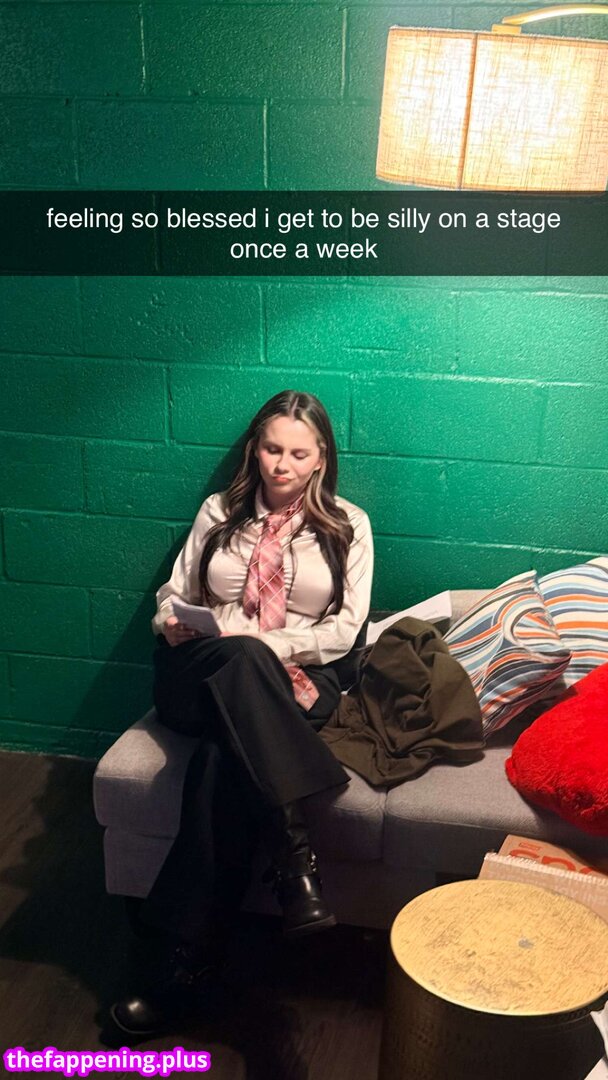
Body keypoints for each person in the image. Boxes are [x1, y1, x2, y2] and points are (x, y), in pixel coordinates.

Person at [110, 389, 374, 1037]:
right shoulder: (219, 512)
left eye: (298, 454)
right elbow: (174, 595)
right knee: (238, 664)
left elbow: (346, 629)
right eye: (271, 449)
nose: (282, 465)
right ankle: (295, 863)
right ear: (255, 449)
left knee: (220, 761)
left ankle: (182, 966)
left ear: (321, 458)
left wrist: (264, 646)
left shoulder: (349, 525)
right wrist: (171, 622)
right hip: (197, 677)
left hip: (295, 680)